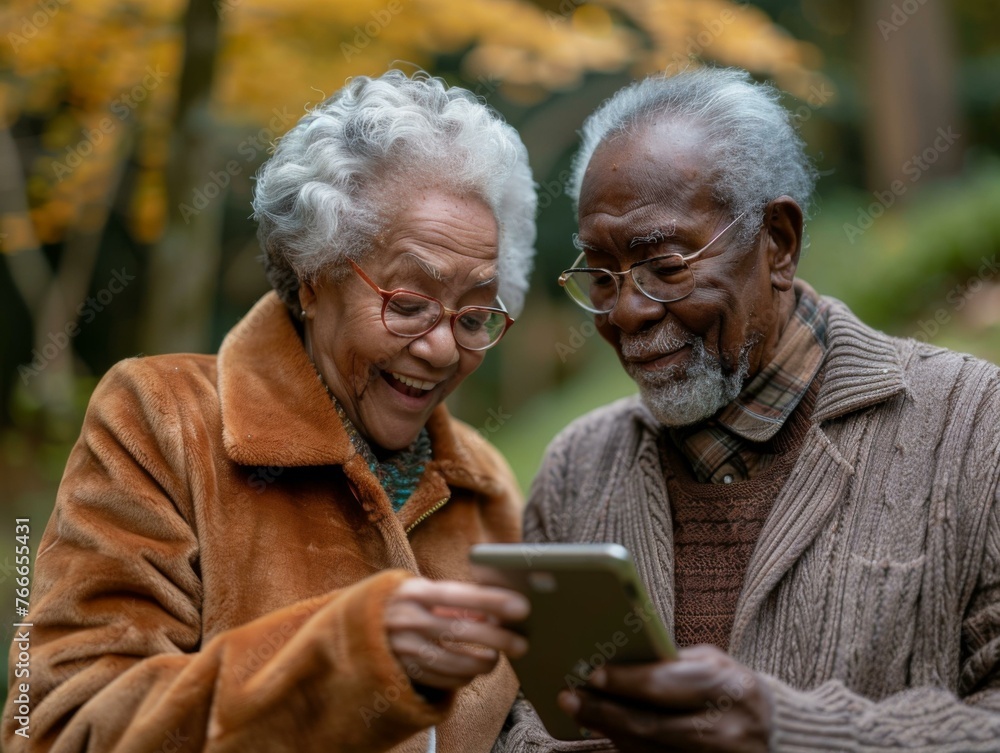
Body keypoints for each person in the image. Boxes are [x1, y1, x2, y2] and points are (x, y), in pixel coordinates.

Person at [2, 70, 538, 753]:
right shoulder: (161, 419)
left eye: (474, 314)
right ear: (314, 277)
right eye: (407, 304)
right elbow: (58, 728)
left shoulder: (484, 482)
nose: (440, 348)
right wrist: (343, 656)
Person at [497, 67, 1000, 751]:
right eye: (601, 275)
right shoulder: (577, 471)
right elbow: (529, 723)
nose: (626, 312)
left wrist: (789, 730)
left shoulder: (975, 427)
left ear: (778, 244)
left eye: (665, 266)